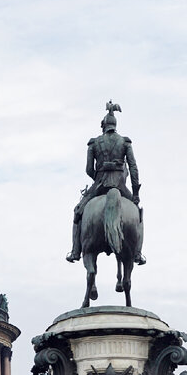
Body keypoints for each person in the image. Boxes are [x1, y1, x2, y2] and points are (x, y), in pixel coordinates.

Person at [67, 102, 144, 265]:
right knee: (138, 214)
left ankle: (75, 250)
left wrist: (99, 175)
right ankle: (137, 253)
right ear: (115, 126)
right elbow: (133, 168)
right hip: (120, 185)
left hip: (99, 184)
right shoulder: (125, 142)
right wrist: (135, 193)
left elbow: (88, 169)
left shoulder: (94, 143)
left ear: (103, 126)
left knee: (78, 213)